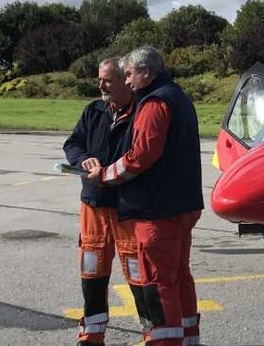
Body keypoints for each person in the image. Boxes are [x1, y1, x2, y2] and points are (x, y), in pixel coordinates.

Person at [87, 46, 204, 346]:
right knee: (179, 278)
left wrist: (105, 176)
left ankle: (164, 341)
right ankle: (189, 338)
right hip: (182, 206)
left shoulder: (153, 104)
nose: (126, 82)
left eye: (129, 75)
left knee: (157, 284)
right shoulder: (179, 98)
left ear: (146, 73)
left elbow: (139, 157)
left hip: (157, 211)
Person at [63, 58, 136, 346]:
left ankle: (152, 333)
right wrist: (83, 159)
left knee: (138, 275)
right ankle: (91, 335)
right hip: (93, 207)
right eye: (100, 79)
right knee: (92, 273)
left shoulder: (140, 112)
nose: (100, 85)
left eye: (106, 80)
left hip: (126, 207)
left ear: (123, 80)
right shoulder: (93, 111)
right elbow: (72, 143)